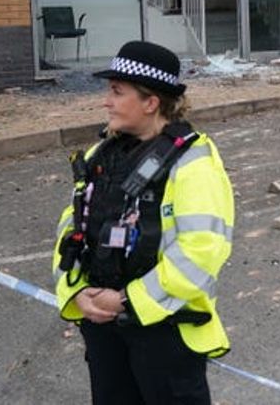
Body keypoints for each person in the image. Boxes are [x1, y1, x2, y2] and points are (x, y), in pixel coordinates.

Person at [52, 41, 234, 405]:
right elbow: (72, 224)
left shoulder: (192, 162)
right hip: (104, 328)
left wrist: (126, 301)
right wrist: (74, 291)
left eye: (117, 92)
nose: (106, 101)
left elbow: (202, 252)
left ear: (151, 102)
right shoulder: (100, 154)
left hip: (164, 332)